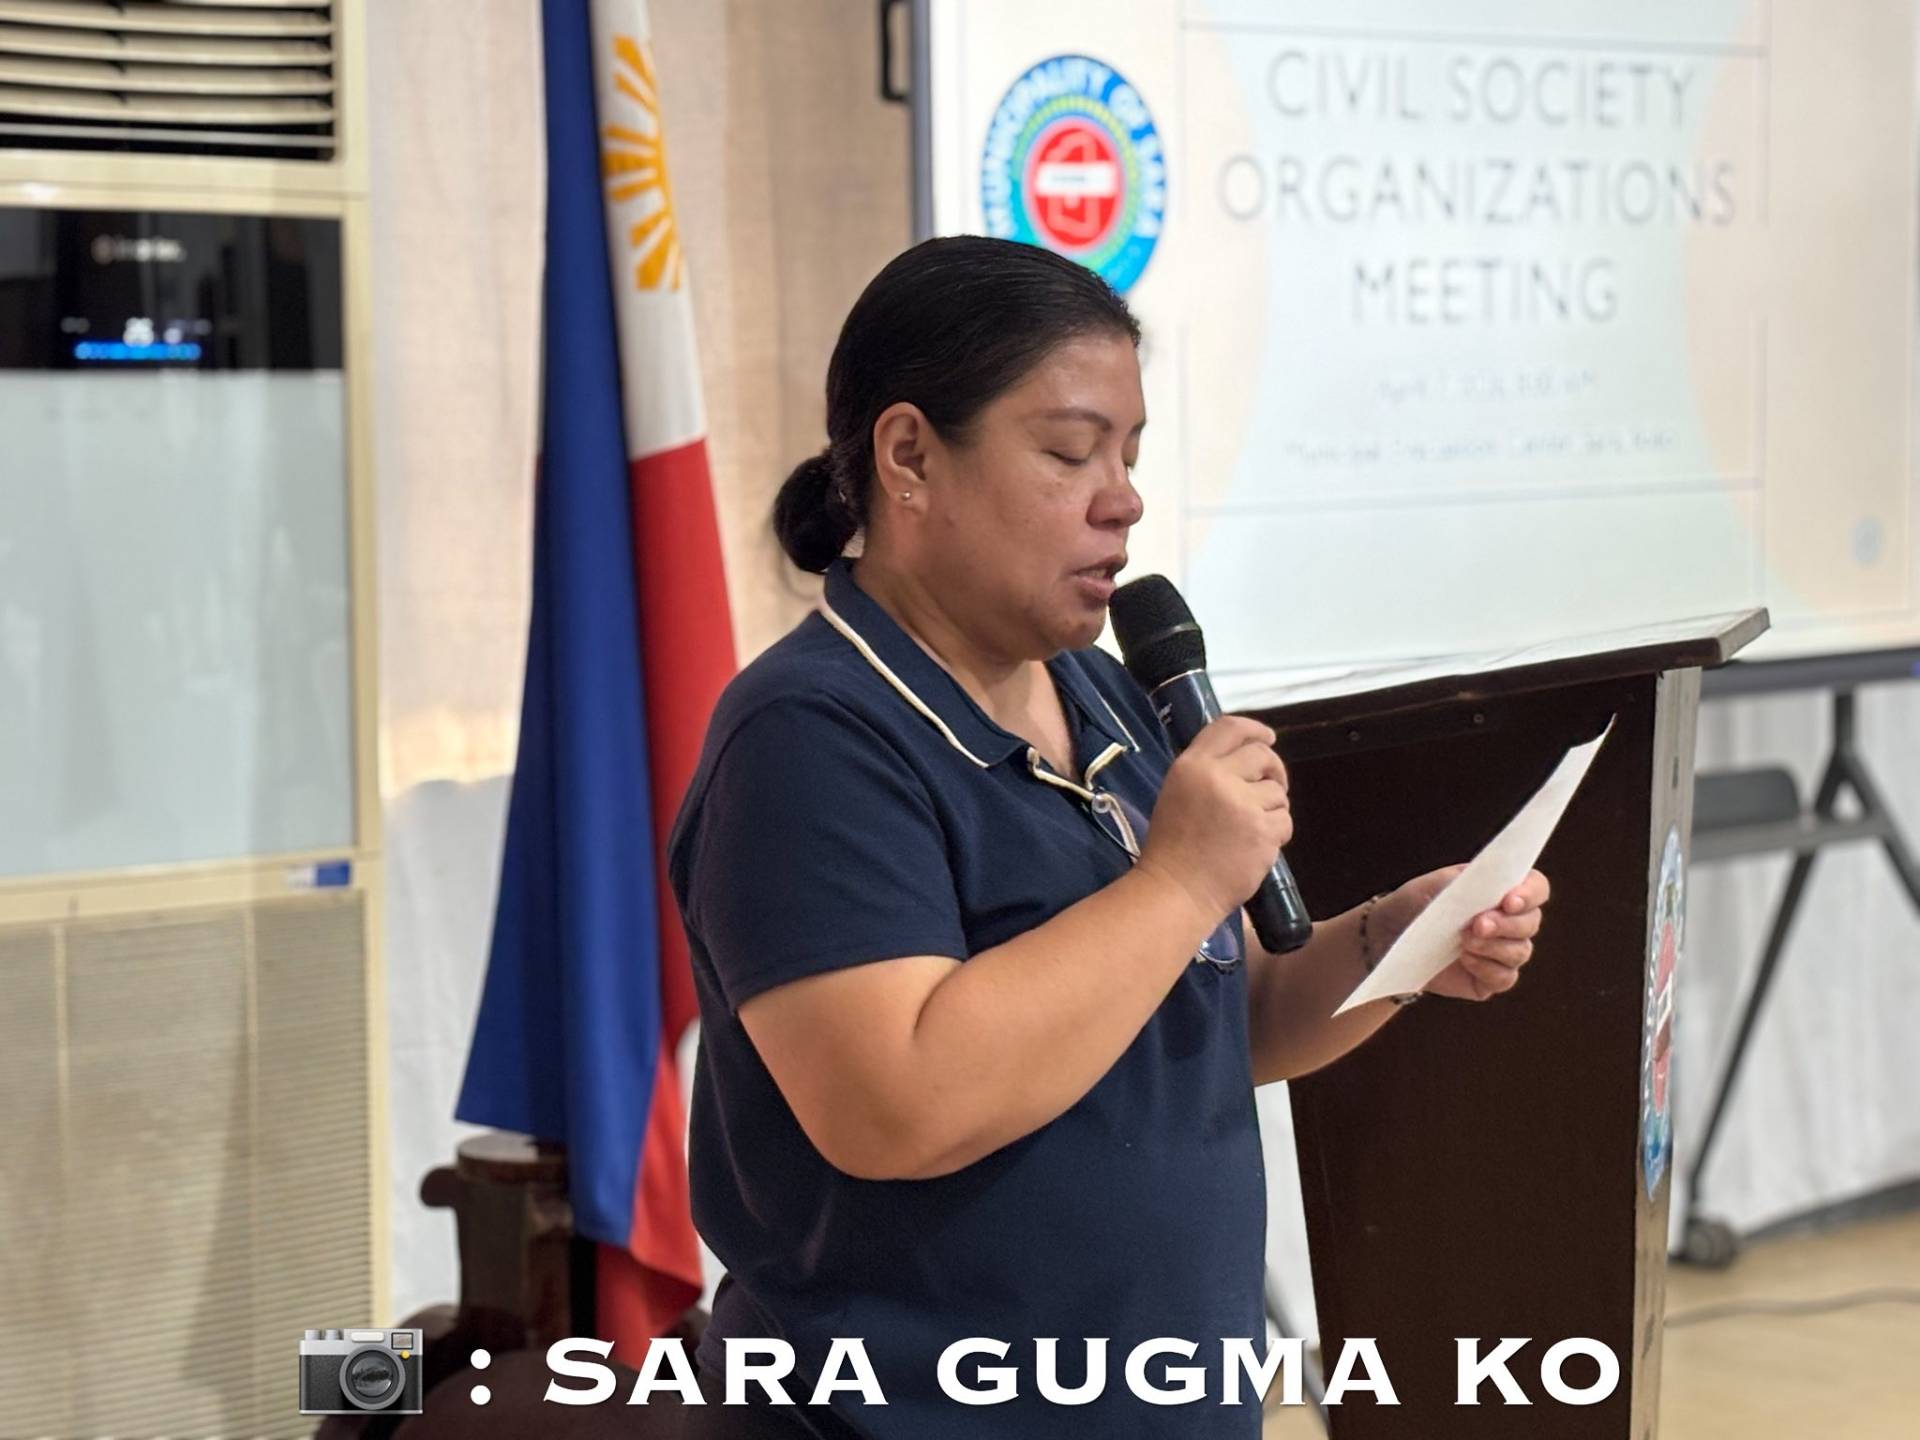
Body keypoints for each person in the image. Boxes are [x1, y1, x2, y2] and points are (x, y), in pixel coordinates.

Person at [666, 235, 1550, 1439]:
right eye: (1070, 451)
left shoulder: (1101, 690)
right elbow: (899, 1104)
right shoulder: (808, 736)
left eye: (1129, 453)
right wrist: (1179, 879)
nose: (1122, 496)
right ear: (909, 455)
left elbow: (1225, 1020)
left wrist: (1391, 947)